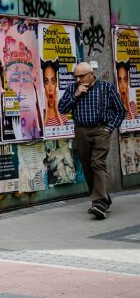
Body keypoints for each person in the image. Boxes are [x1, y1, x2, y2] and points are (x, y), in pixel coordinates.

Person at [58, 62, 126, 219]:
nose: (78, 79)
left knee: (97, 163)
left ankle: (99, 203)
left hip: (101, 130)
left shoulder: (106, 87)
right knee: (87, 165)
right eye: (76, 76)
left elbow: (120, 111)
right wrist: (76, 95)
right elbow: (62, 108)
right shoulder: (73, 88)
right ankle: (103, 198)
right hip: (81, 131)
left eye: (81, 76)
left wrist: (109, 128)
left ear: (91, 74)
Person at [42, 60, 67, 130]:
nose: (50, 88)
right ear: (43, 85)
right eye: (46, 82)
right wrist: (46, 113)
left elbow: (65, 132)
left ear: (56, 84)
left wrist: (57, 111)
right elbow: (41, 134)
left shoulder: (62, 113)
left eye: (53, 82)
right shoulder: (41, 115)